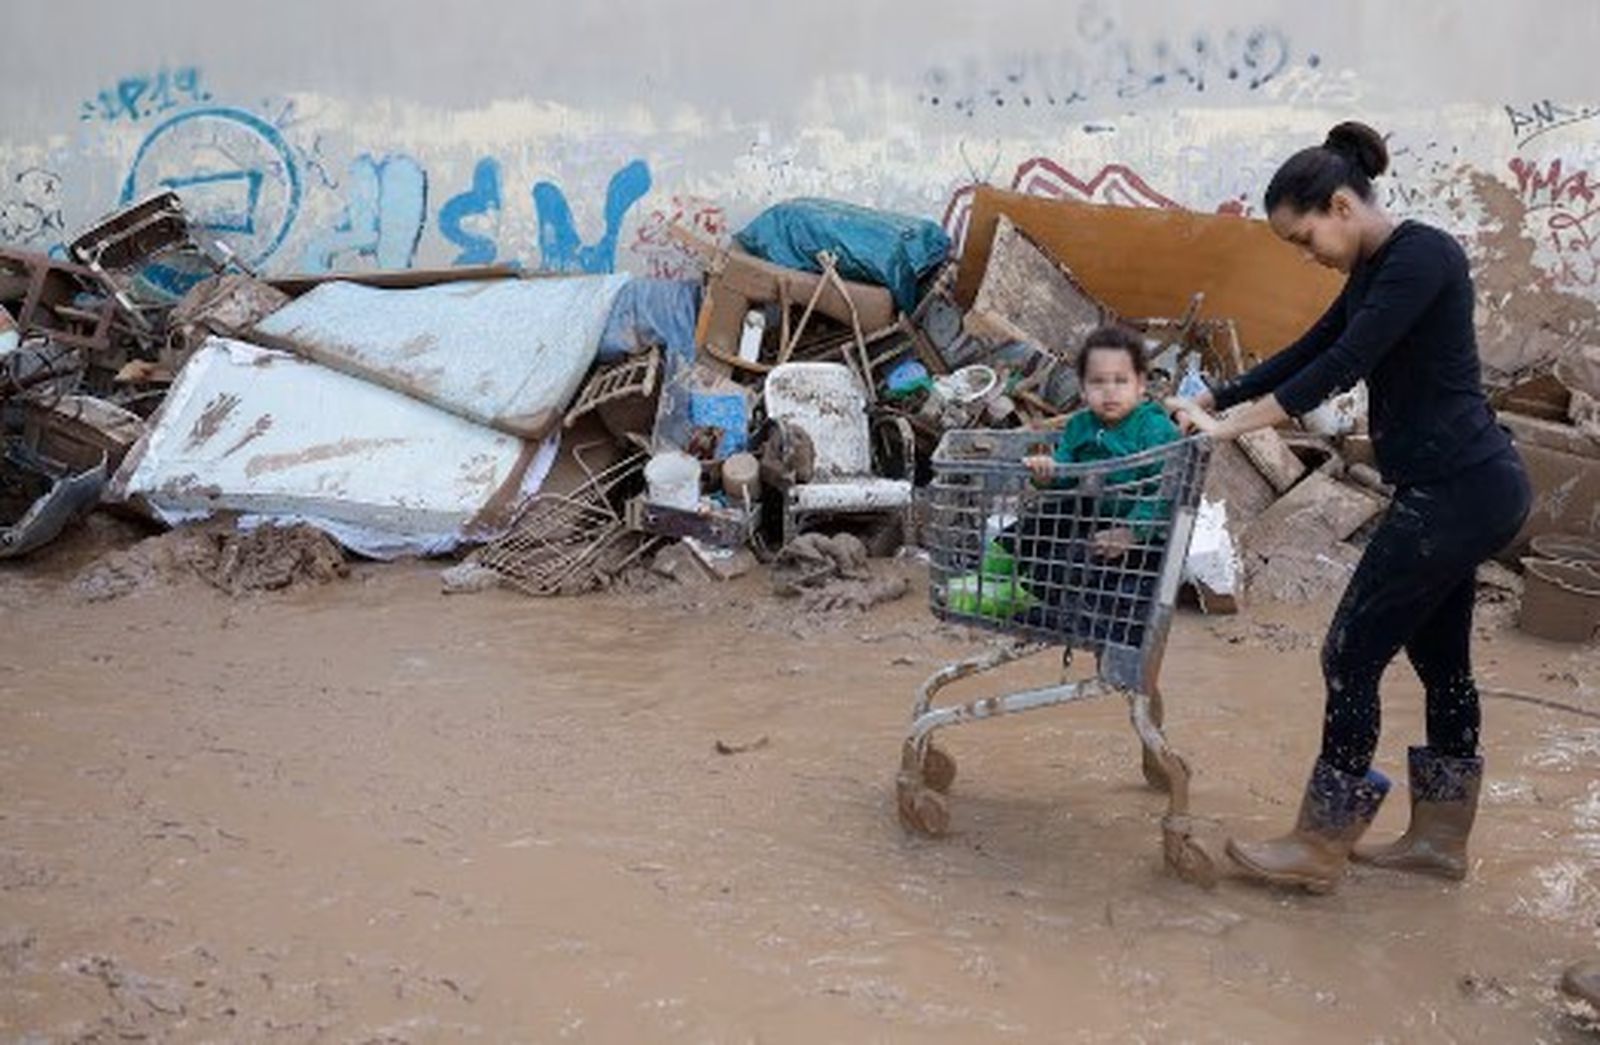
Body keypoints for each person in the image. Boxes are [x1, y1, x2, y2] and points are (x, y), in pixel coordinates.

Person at [1165, 121, 1532, 893]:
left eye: (1306, 239)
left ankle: (1320, 842)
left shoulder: (1423, 256)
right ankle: (1438, 841)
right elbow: (1312, 343)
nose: (1309, 255)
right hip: (1457, 487)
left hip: (1461, 489)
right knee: (1441, 662)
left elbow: (1342, 365)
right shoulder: (1375, 269)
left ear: (1340, 204)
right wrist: (1214, 391)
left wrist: (1231, 426)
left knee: (1348, 652)